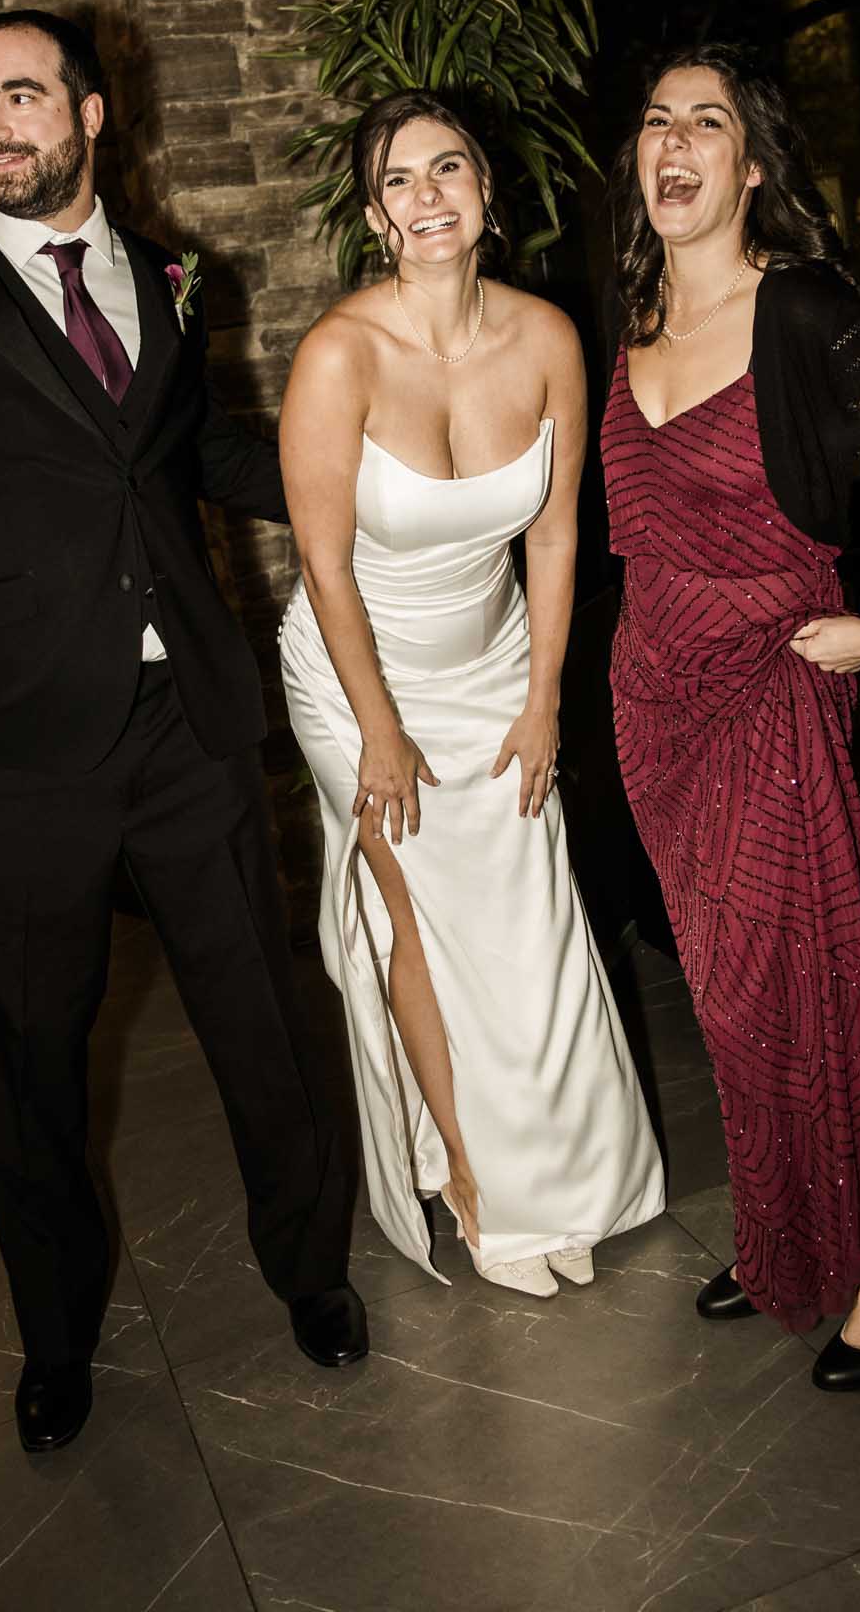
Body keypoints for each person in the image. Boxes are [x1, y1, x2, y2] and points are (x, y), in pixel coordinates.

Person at [0, 9, 365, 1456]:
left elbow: (200, 454)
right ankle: (56, 1337)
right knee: (27, 1064)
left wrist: (379, 468)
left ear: (95, 114)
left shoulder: (180, 273)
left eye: (24, 97)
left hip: (187, 718)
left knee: (263, 1019)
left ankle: (309, 1270)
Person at [601, 42, 860, 1389]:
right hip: (655, 706)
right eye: (658, 120)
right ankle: (790, 1228)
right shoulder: (630, 317)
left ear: (751, 167)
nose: (674, 141)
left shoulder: (804, 310)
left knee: (813, 986)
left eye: (704, 122)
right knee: (728, 1003)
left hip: (771, 695)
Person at [278, 90, 664, 1297]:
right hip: (358, 675)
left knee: (533, 916)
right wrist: (379, 731)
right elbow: (325, 564)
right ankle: (470, 1171)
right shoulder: (338, 354)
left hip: (499, 659)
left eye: (449, 168)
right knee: (424, 915)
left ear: (487, 191)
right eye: (400, 179)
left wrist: (545, 697)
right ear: (374, 211)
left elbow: (555, 539)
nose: (428, 195)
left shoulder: (549, 336)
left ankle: (565, 1166)